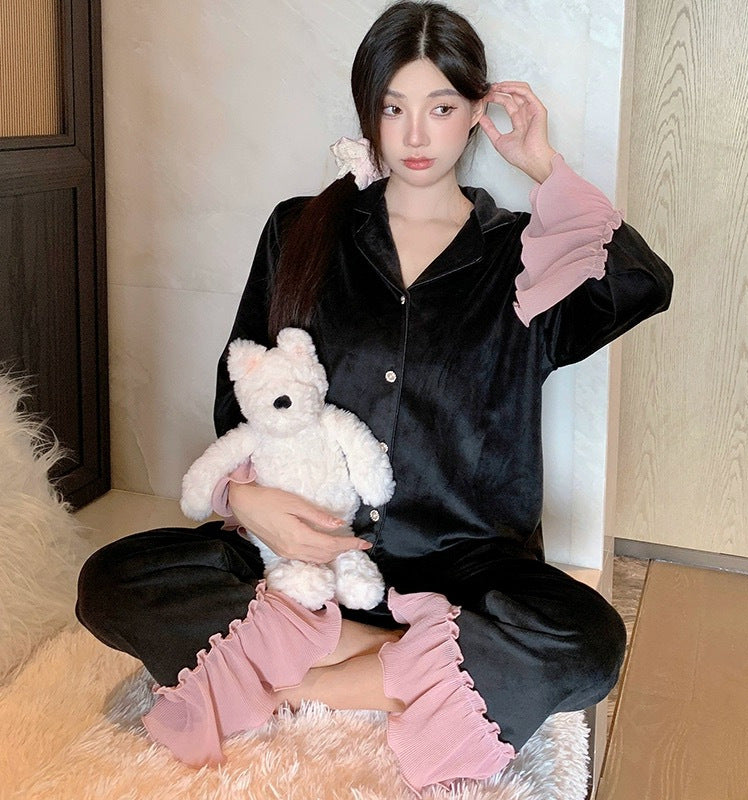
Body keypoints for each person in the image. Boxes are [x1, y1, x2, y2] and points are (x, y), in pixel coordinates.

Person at [77, 1, 673, 792]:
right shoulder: (301, 230)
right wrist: (245, 501)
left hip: (463, 569)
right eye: (394, 109)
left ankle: (300, 678)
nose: (416, 135)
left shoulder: (524, 259)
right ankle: (402, 673)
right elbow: (240, 401)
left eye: (442, 108)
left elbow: (642, 284)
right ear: (369, 114)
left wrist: (544, 165)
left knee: (588, 643)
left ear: (476, 112)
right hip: (301, 559)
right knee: (112, 580)